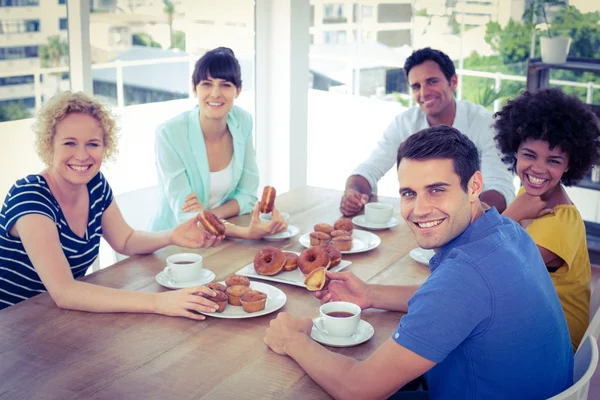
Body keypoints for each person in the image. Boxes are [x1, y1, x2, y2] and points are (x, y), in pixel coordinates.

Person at [265, 126, 573, 400]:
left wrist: (292, 340)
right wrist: (370, 295)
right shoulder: (506, 231)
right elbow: (452, 302)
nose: (420, 209)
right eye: (409, 193)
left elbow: (357, 389)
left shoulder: (464, 278)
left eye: (437, 190)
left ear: (474, 186)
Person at [0, 91, 223, 319]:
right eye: (69, 143)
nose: (82, 155)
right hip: (11, 328)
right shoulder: (30, 196)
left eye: (93, 144)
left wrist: (172, 236)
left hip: (57, 320)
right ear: (49, 145)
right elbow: (65, 292)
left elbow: (125, 240)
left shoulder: (94, 184)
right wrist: (158, 302)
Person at [340, 47, 514, 217]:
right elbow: (370, 169)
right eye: (416, 86)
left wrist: (461, 216)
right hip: (418, 223)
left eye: (432, 81)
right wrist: (353, 193)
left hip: (473, 229)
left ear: (453, 82)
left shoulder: (485, 123)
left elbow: (500, 190)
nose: (424, 93)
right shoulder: (405, 124)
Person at [495, 88, 600, 350]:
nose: (538, 169)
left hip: (551, 347)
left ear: (569, 165)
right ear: (515, 151)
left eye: (553, 161)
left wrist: (512, 214)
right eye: (529, 155)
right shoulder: (532, 194)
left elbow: (487, 266)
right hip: (532, 323)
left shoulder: (557, 222)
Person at [151, 47, 286, 239]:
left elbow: (248, 196)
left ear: (237, 90)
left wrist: (208, 215)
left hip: (221, 239)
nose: (215, 94)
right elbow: (187, 216)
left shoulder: (242, 121)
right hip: (175, 244)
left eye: (225, 85)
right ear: (194, 88)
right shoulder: (169, 134)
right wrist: (245, 233)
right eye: (206, 84)